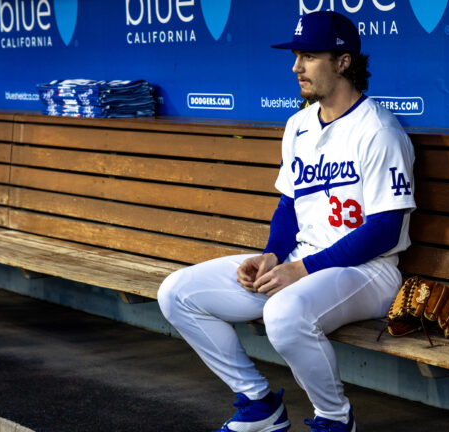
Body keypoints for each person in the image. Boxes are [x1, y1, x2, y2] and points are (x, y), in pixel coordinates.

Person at [157, 10, 415, 432]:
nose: (296, 67)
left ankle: (335, 419)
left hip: (367, 272)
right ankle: (259, 405)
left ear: (343, 61)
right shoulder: (298, 124)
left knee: (282, 313)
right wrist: (273, 255)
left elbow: (386, 229)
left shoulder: (379, 131)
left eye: (309, 56)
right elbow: (288, 205)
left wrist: (302, 269)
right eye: (297, 56)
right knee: (177, 293)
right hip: (301, 262)